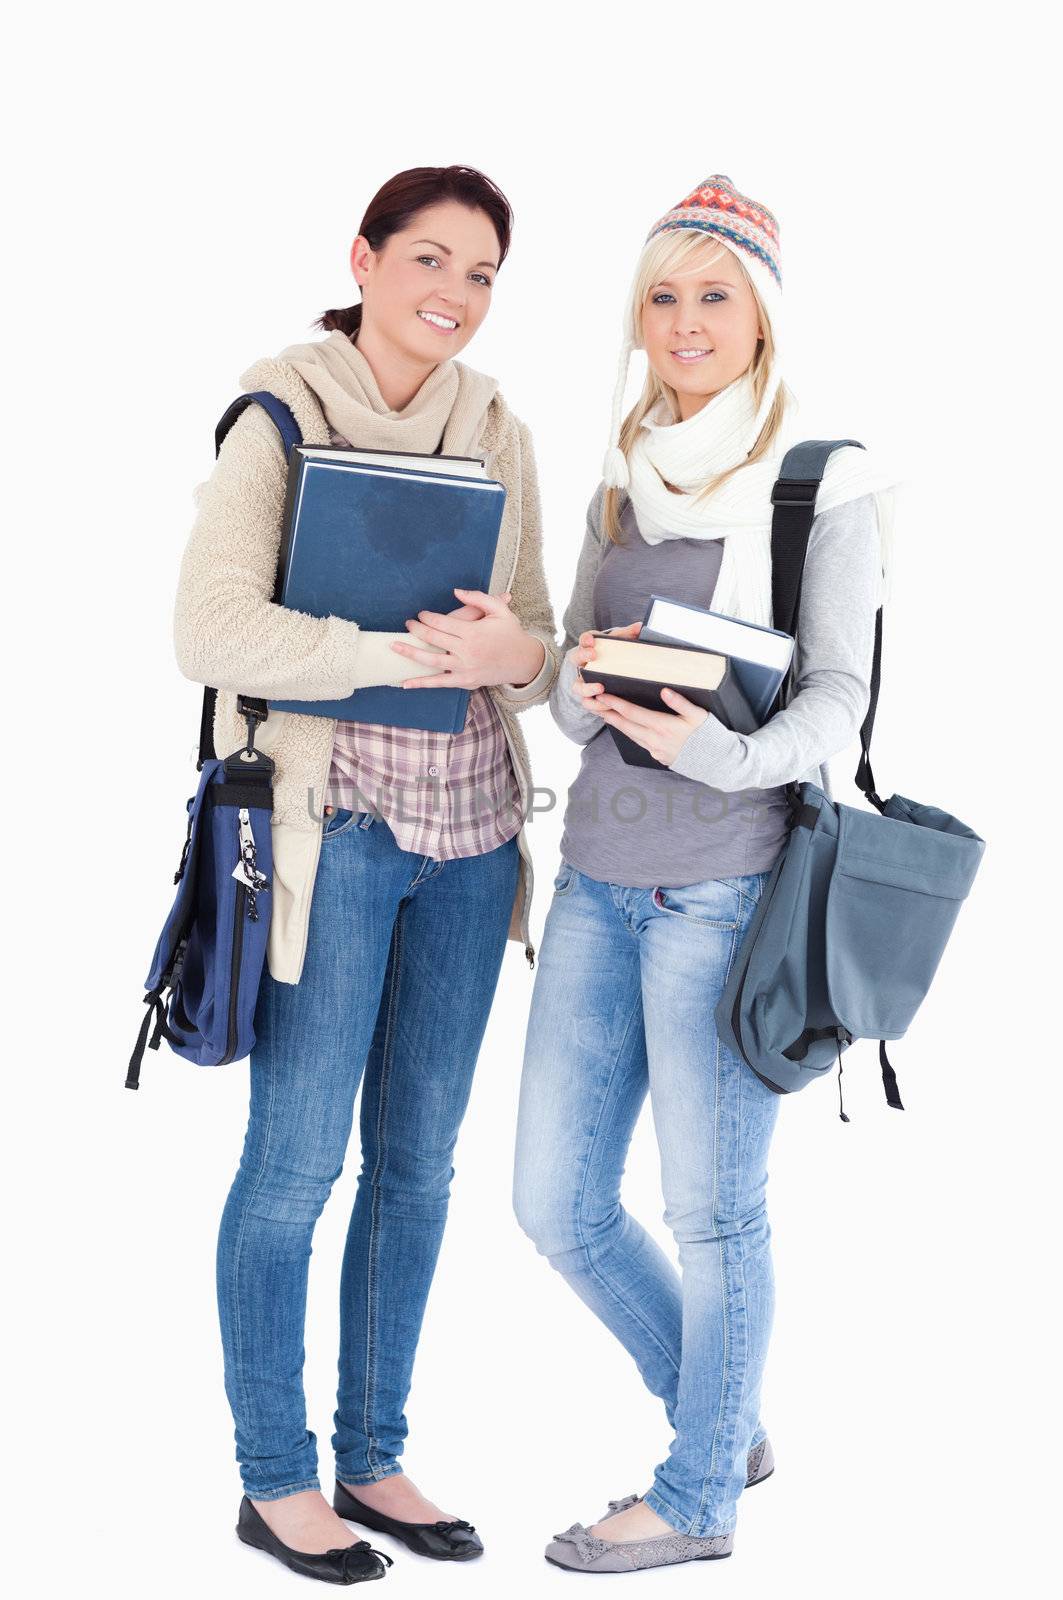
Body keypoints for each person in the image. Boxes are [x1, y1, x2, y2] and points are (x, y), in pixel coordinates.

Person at [172, 163, 560, 1584]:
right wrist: (383, 655)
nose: (452, 296)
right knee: (293, 1169)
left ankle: (375, 1454)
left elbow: (530, 628)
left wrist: (504, 657)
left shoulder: (498, 424)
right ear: (366, 257)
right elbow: (210, 630)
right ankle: (275, 1481)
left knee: (417, 1168)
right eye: (429, 261)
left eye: (480, 275)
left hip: (473, 840)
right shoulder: (281, 410)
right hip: (337, 844)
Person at [512, 174, 901, 1575]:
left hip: (726, 889)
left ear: (764, 317)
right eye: (662, 297)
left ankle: (696, 1496)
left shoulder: (823, 483)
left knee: (711, 1211)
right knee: (555, 1204)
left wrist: (717, 751)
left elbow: (837, 709)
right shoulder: (623, 468)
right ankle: (721, 1411)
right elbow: (566, 680)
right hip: (597, 875)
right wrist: (574, 686)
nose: (684, 322)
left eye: (713, 294)